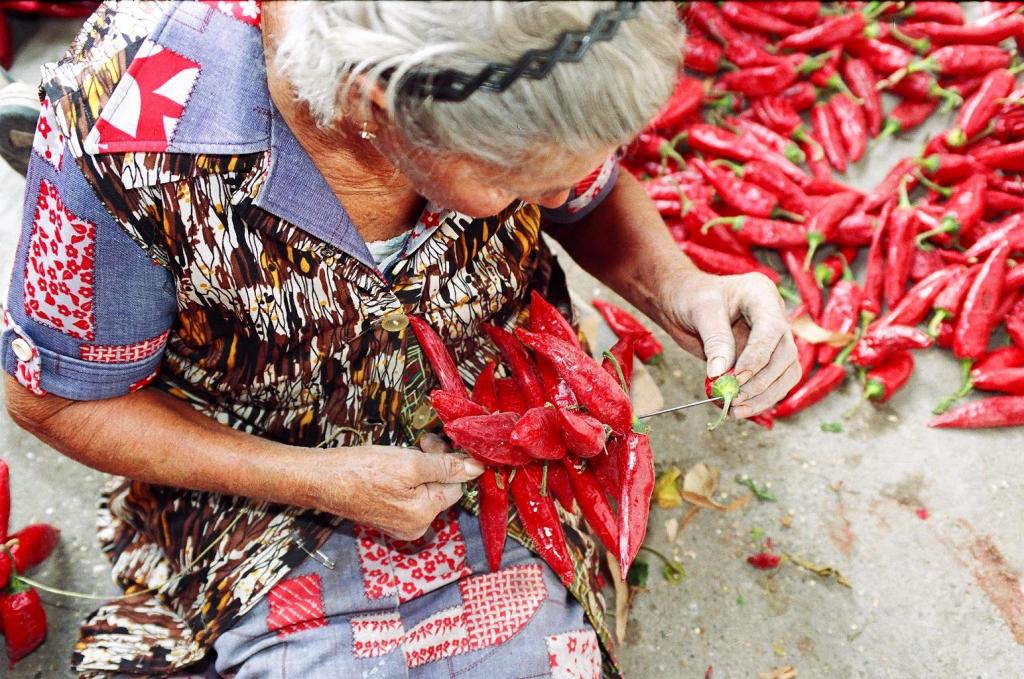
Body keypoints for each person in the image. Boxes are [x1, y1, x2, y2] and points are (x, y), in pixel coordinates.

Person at [1, 2, 799, 677]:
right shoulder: (129, 128)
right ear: (373, 104)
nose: (552, 193)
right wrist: (316, 478)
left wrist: (680, 288)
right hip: (253, 467)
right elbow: (55, 404)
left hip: (510, 410)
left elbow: (587, 198)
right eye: (515, 177)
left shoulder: (517, 43)